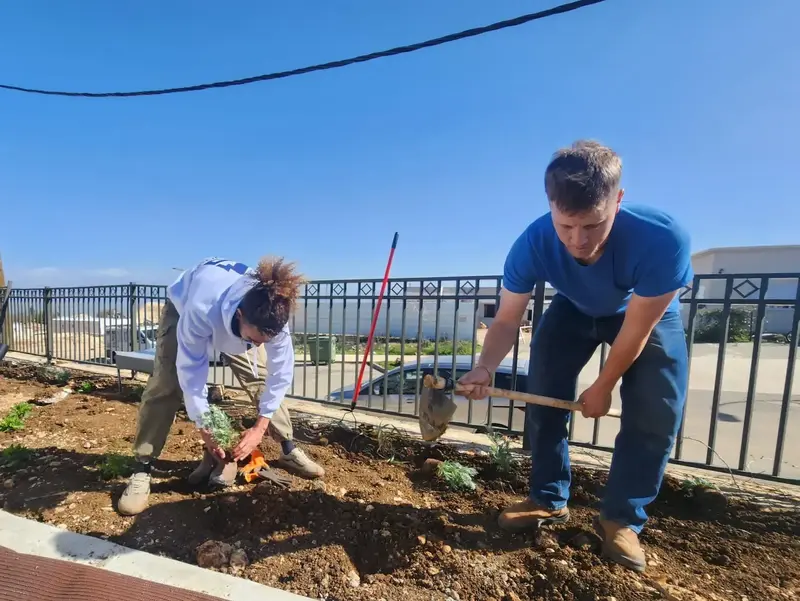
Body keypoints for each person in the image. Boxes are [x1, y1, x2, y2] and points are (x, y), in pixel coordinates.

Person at [458, 140, 691, 573]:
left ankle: (622, 520)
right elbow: (507, 320)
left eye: (593, 225)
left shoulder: (662, 238)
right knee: (543, 385)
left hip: (643, 315)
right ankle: (547, 498)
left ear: (618, 200)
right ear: (550, 206)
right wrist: (485, 365)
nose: (578, 241)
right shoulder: (532, 242)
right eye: (566, 226)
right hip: (575, 306)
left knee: (656, 413)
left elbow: (636, 331)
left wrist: (603, 387)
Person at [118, 256, 325, 516]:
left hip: (239, 318)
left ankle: (287, 448)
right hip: (182, 306)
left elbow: (280, 375)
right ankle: (143, 467)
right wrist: (205, 428)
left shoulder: (272, 316)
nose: (259, 346)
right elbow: (191, 372)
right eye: (254, 339)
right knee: (167, 383)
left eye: (265, 341)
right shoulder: (200, 309)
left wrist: (259, 429)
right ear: (240, 316)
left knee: (259, 377)